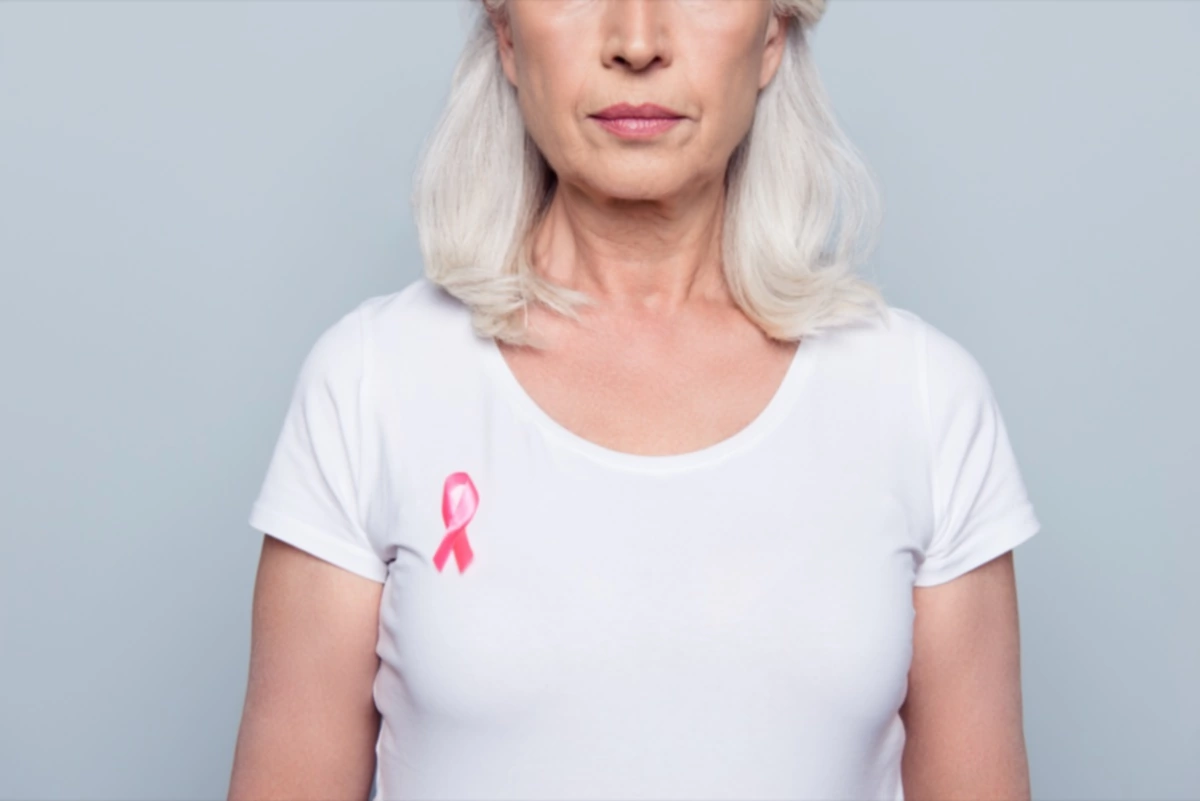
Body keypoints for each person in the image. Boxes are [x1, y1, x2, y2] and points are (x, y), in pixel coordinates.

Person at [228, 0, 1042, 799]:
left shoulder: (923, 400)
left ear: (773, 36)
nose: (638, 39)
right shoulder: (373, 384)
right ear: (506, 33)